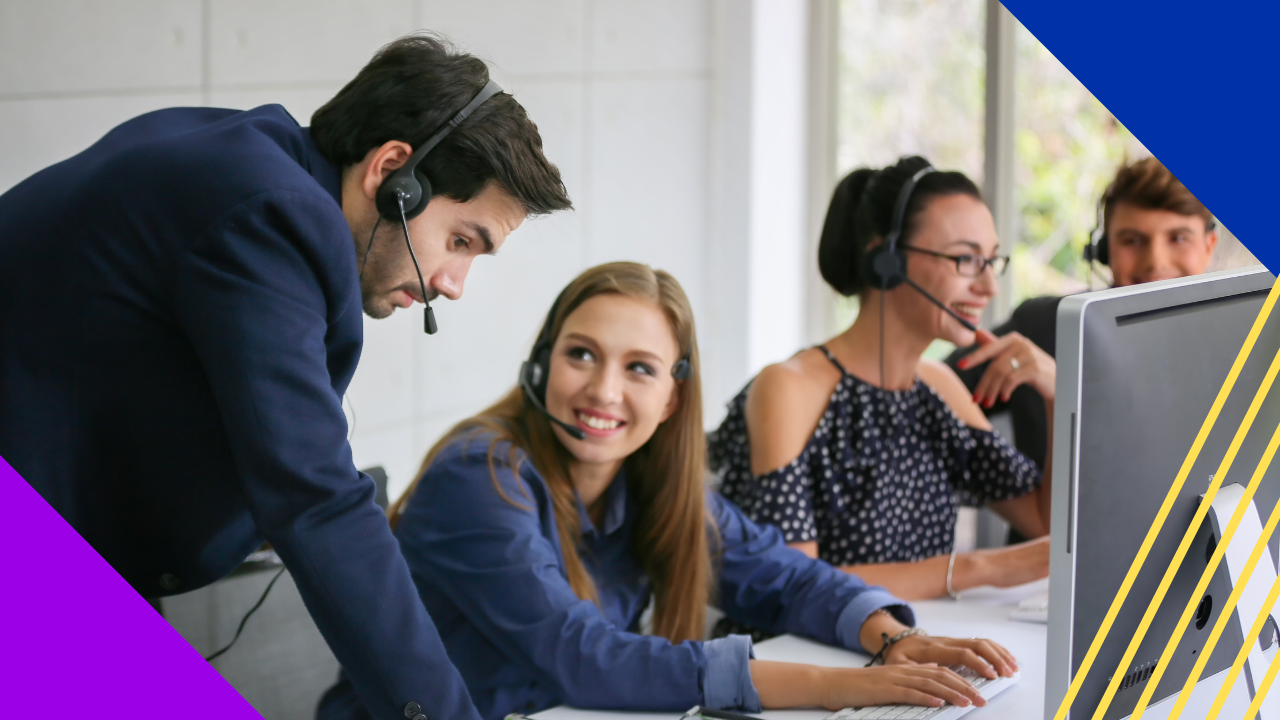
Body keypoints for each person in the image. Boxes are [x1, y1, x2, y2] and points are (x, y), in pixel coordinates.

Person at [0, 34, 571, 720]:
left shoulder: (243, 153)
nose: (453, 284)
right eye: (460, 240)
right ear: (394, 173)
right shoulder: (269, 213)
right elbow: (316, 500)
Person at [320, 261, 1021, 720]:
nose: (603, 390)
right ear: (541, 364)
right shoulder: (478, 477)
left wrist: (891, 640)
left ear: (672, 401)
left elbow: (787, 579)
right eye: (581, 354)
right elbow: (581, 655)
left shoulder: (650, 486)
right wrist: (845, 688)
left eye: (640, 369)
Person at [710, 156, 1053, 608]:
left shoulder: (939, 387)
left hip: (915, 649)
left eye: (992, 260)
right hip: (811, 659)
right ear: (886, 260)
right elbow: (793, 585)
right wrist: (977, 567)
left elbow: (1044, 523)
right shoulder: (788, 388)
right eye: (966, 259)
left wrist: (1056, 393)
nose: (989, 286)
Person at [945, 157, 1218, 479]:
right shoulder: (1045, 327)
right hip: (1047, 530)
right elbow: (926, 400)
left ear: (1208, 245)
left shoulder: (1248, 343)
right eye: (1133, 240)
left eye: (1178, 238)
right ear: (1103, 252)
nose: (1156, 261)